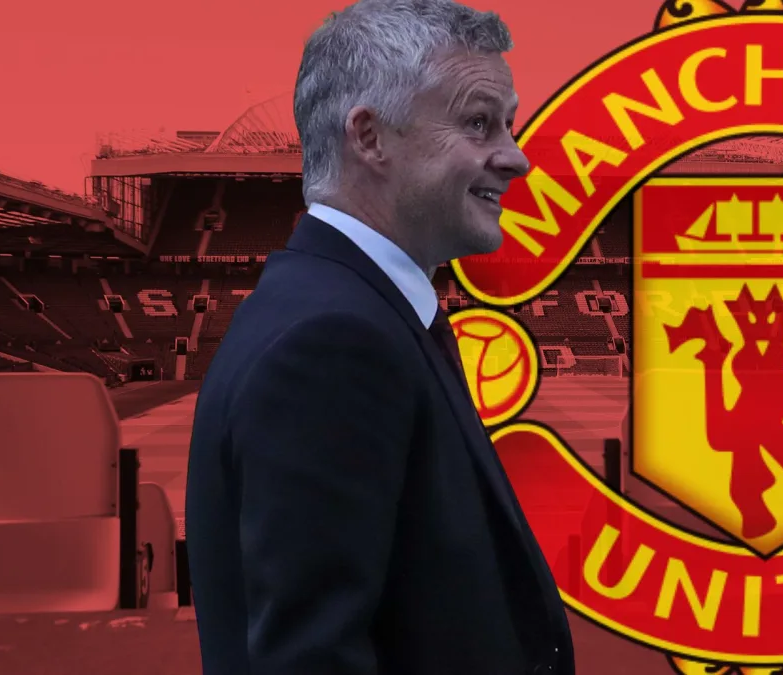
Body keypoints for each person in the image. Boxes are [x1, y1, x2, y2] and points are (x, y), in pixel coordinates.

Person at [184, 1, 574, 673]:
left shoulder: (352, 309)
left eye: (507, 125)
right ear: (369, 137)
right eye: (479, 123)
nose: (516, 158)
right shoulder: (332, 343)